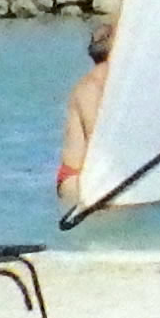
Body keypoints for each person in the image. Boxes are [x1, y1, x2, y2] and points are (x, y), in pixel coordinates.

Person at [56, 19, 115, 201]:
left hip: (98, 176)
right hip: (77, 178)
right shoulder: (90, 88)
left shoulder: (111, 87)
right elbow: (97, 140)